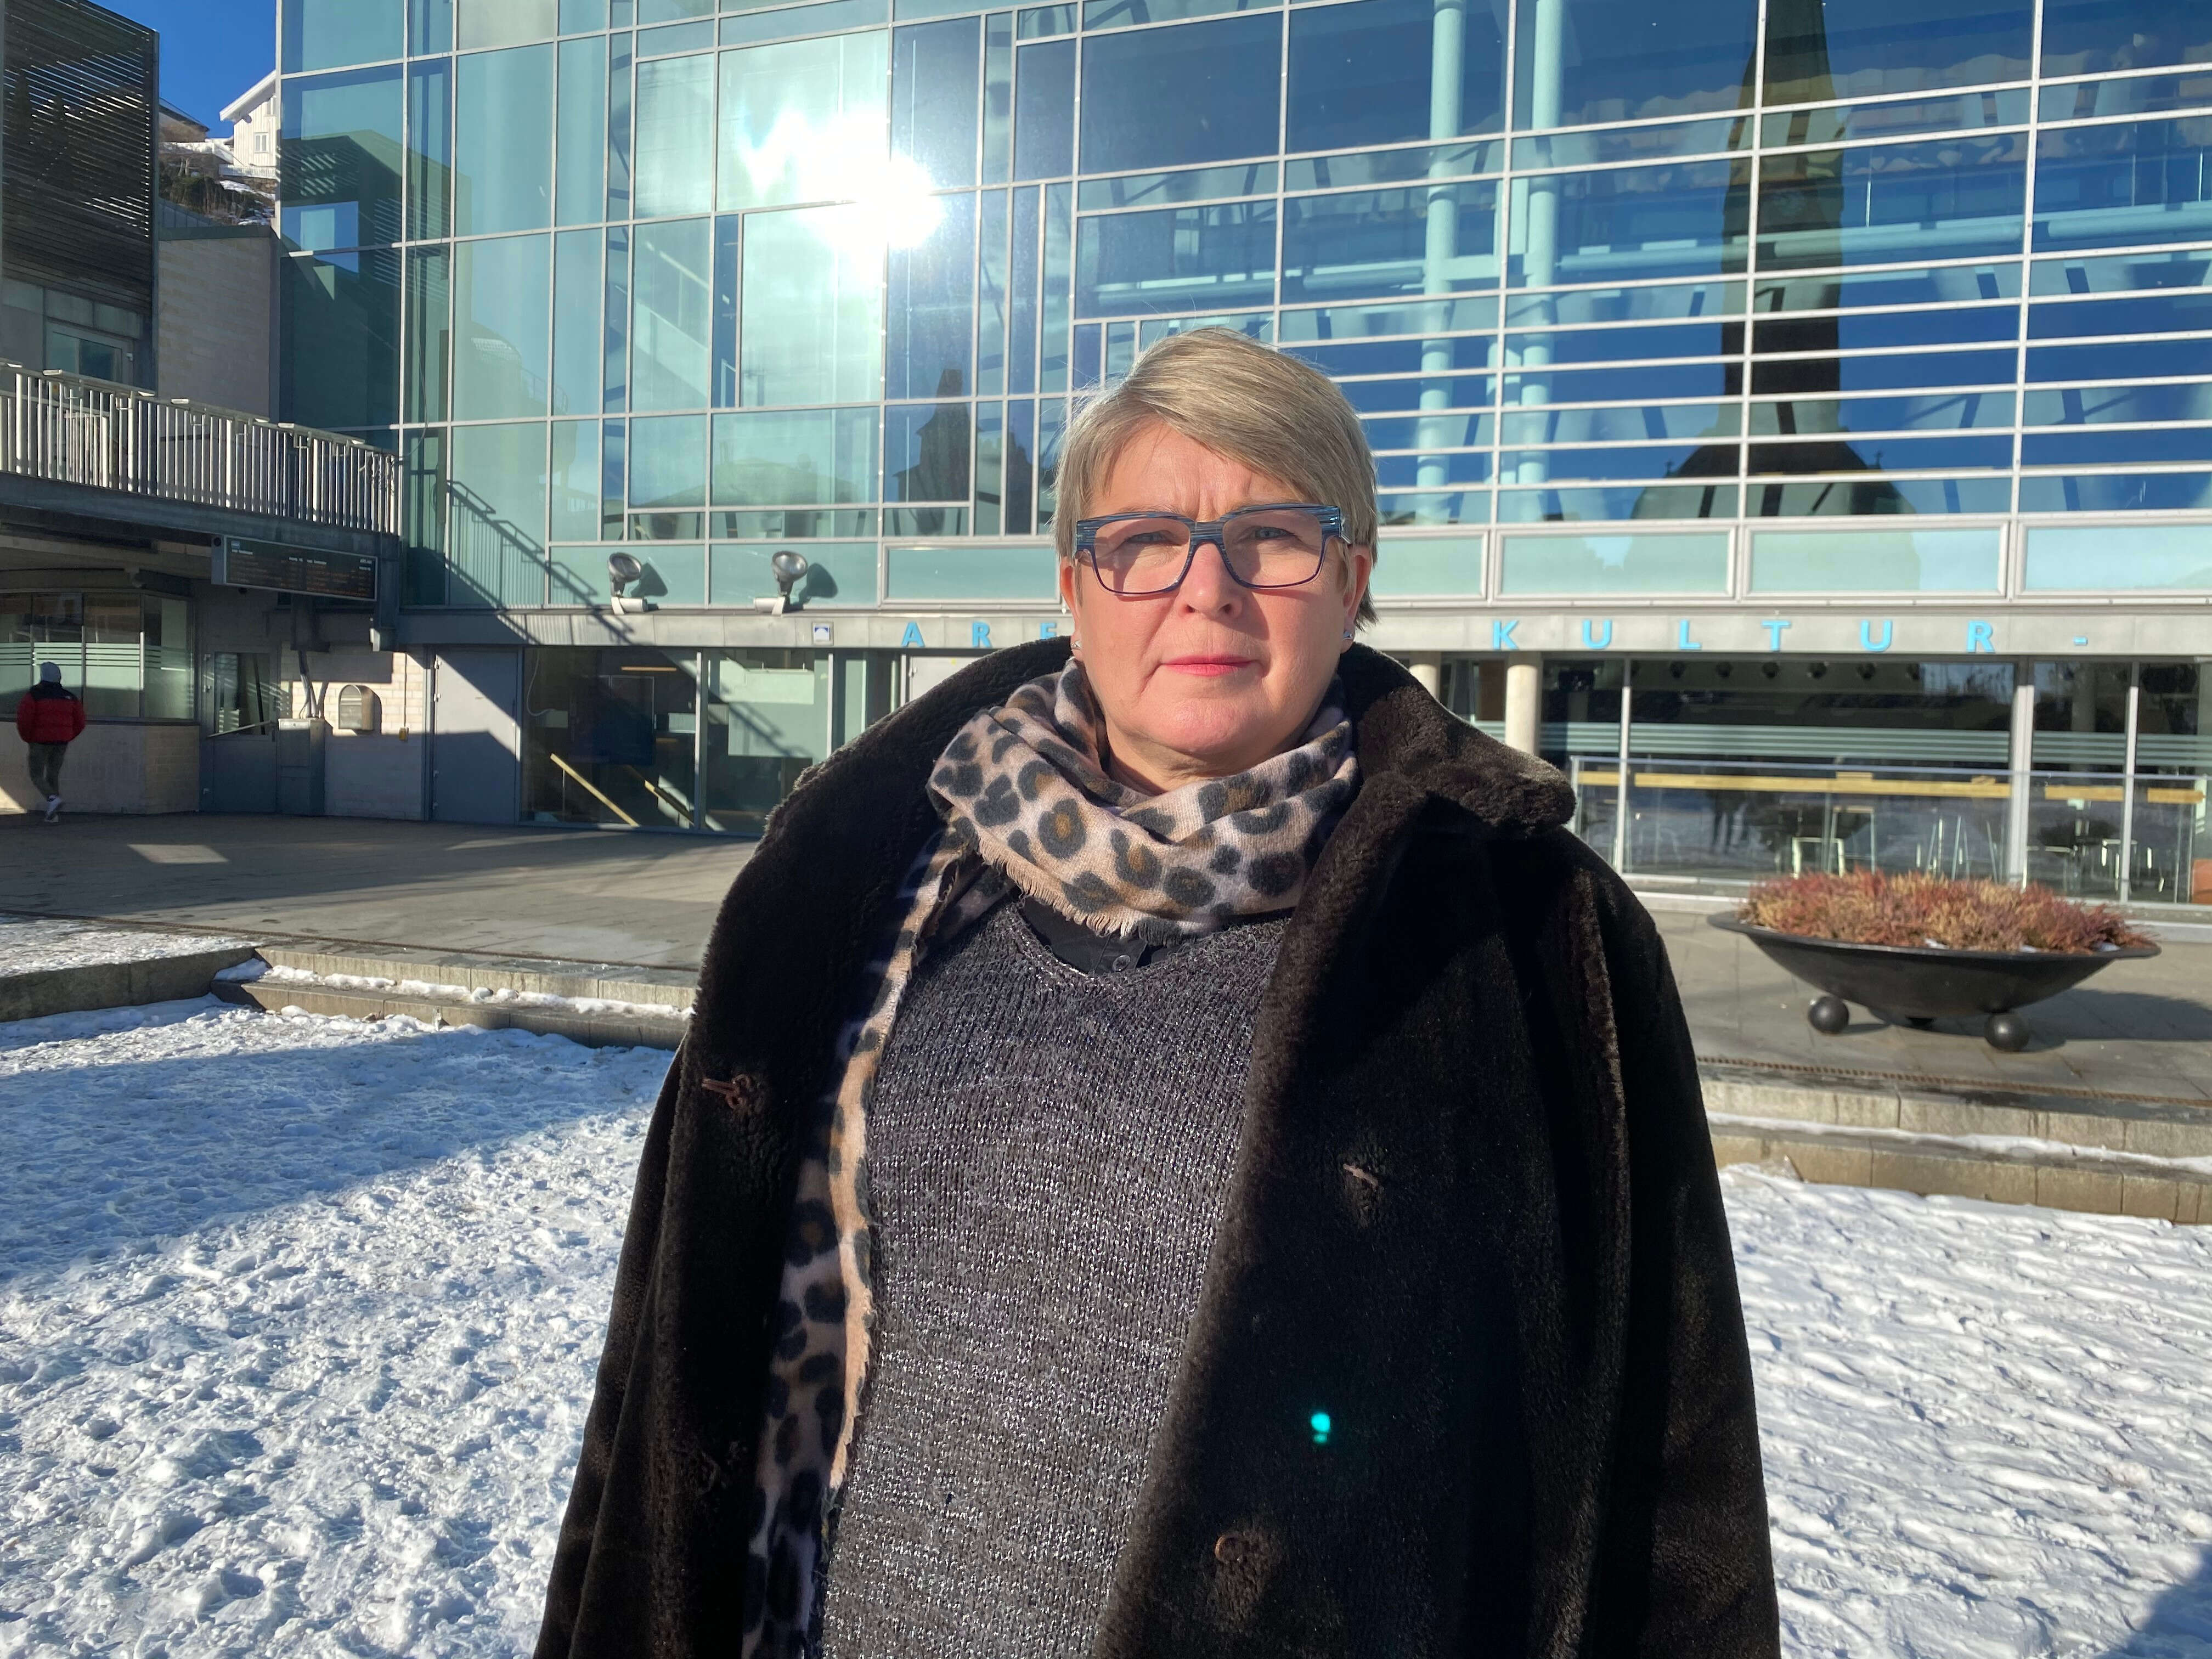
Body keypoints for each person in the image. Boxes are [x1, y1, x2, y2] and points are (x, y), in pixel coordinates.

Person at [536, 328, 1779, 1659]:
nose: (1208, 589)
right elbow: (660, 1387)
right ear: (1077, 585)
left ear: (1353, 580)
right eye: (1146, 540)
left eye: (1274, 537)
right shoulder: (843, 888)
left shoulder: (1533, 937)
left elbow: (1671, 1465)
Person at [16, 661, 86, 823]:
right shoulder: (70, 697)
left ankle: (52, 799)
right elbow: (80, 722)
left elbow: (24, 720)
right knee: (52, 775)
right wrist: (68, 736)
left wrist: (28, 738)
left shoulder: (34, 695)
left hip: (39, 742)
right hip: (61, 742)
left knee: (36, 775)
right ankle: (52, 814)